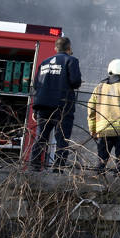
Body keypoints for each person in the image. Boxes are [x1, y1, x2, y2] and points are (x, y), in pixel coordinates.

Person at [30, 36, 82, 171]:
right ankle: (57, 169)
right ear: (69, 48)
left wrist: (35, 110)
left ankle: (34, 166)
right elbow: (75, 82)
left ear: (55, 48)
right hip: (63, 105)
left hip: (43, 106)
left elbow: (36, 85)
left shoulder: (44, 63)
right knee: (62, 138)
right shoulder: (71, 60)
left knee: (41, 137)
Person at [87, 58, 120, 174]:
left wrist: (93, 129)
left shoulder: (99, 87)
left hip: (103, 130)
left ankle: (99, 181)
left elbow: (91, 108)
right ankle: (118, 182)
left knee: (101, 161)